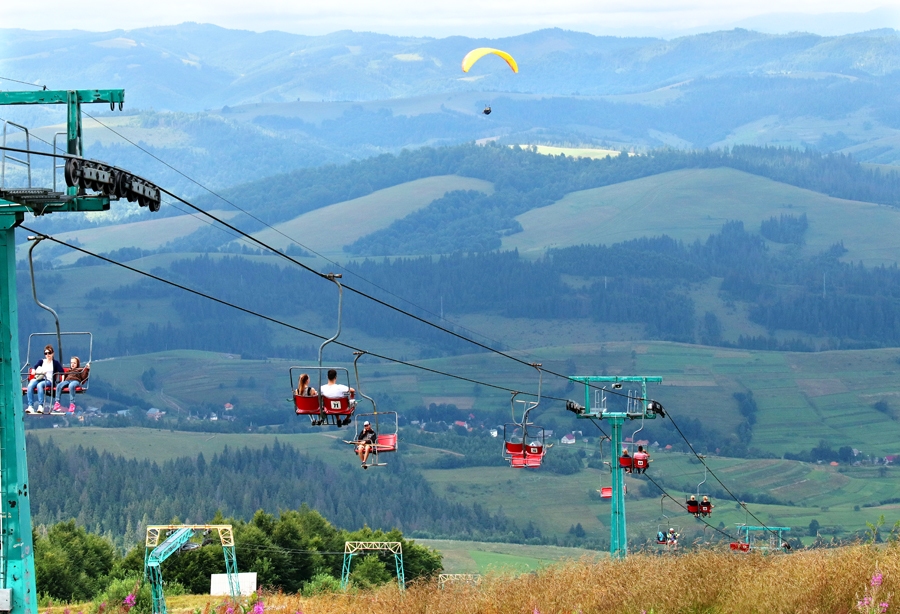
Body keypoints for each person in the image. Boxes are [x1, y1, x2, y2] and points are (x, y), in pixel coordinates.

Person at [26, 345, 63, 414]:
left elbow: (62, 371)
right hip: (40, 378)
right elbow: (35, 367)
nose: (47, 355)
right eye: (46, 353)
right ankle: (30, 406)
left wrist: (62, 382)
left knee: (39, 385)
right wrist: (33, 370)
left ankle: (41, 405)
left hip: (49, 381)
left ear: (52, 353)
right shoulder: (42, 361)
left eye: (49, 353)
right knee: (30, 385)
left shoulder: (55, 363)